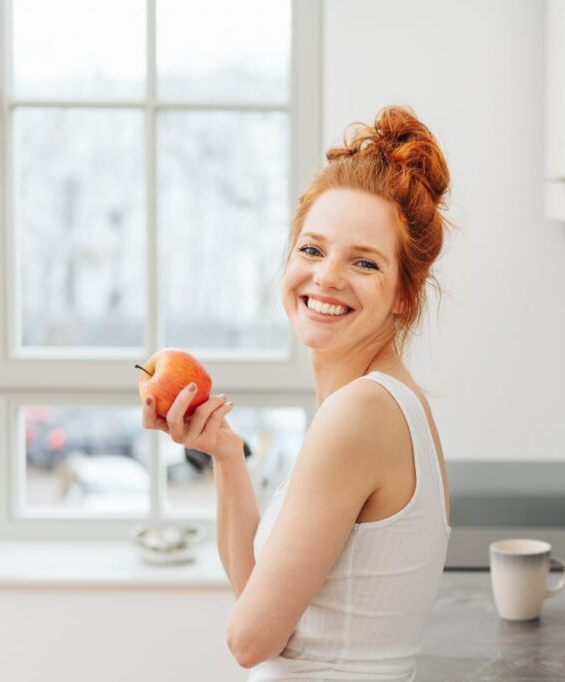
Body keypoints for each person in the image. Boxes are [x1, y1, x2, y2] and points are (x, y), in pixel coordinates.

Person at [142, 105, 454, 681]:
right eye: (311, 249)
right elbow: (261, 596)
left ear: (405, 295)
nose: (327, 277)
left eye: (364, 261)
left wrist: (249, 627)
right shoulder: (383, 402)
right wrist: (227, 455)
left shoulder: (359, 413)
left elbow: (250, 638)